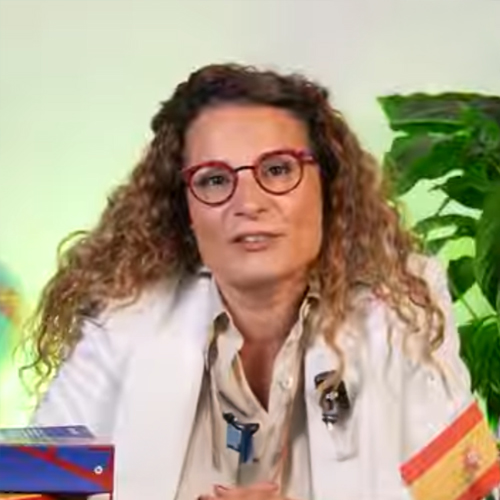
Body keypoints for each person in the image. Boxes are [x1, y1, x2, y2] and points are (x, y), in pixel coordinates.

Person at [24, 63, 497, 500]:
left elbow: (470, 494)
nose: (248, 203)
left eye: (277, 169)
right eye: (214, 179)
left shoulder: (402, 302)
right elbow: (22, 487)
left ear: (328, 185)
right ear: (184, 208)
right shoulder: (128, 312)